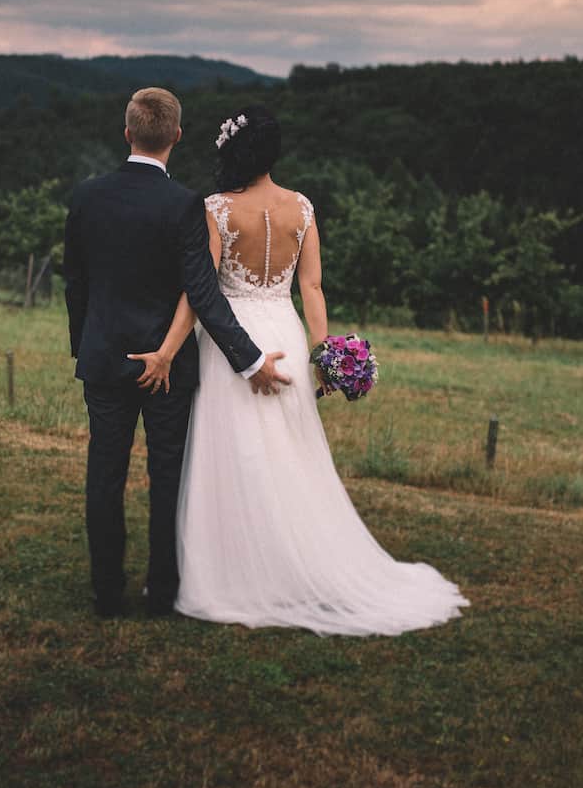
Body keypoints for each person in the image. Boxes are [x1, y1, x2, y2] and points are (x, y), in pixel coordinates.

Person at [129, 105, 468, 636]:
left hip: (232, 341)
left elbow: (201, 293)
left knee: (234, 449)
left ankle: (233, 570)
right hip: (282, 331)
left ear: (231, 151)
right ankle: (291, 559)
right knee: (287, 451)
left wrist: (170, 348)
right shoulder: (303, 207)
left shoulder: (216, 209)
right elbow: (311, 287)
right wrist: (322, 353)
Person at [63, 88, 292, 619]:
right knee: (168, 475)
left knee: (105, 475)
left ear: (128, 134)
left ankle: (106, 592)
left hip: (105, 360)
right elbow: (203, 292)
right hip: (167, 367)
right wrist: (251, 359)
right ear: (177, 137)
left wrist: (87, 348)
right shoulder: (184, 204)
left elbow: (76, 284)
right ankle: (162, 592)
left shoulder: (87, 196)